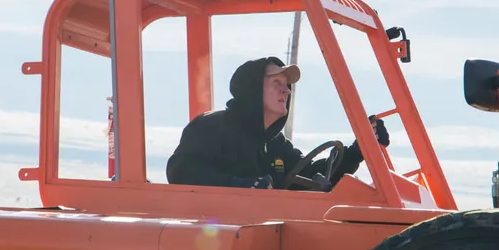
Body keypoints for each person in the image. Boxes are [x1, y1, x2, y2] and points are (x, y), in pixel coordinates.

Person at [165, 56, 389, 190]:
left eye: (287, 84)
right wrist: (239, 185)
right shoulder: (213, 126)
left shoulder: (275, 143)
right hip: (216, 234)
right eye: (276, 82)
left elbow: (308, 176)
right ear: (252, 88)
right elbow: (181, 171)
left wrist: (357, 151)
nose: (286, 90)